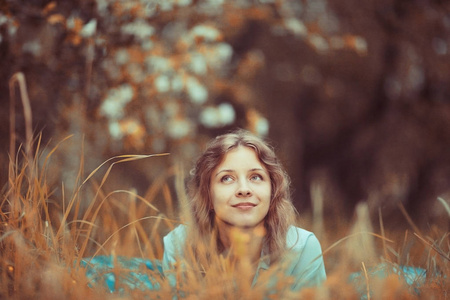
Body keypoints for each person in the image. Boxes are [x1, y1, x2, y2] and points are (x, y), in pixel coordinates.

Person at [162, 129, 326, 295]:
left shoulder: (302, 249)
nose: (244, 190)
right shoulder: (179, 246)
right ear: (208, 196)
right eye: (227, 178)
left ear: (272, 191)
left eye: (255, 177)